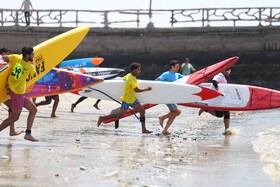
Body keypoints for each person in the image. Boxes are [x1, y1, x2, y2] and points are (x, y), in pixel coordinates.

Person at [97, 62, 152, 134]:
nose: (140, 71)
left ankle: (143, 129)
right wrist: (146, 89)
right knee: (123, 114)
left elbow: (123, 78)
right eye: (138, 69)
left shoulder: (129, 75)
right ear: (134, 70)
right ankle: (102, 118)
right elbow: (136, 90)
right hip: (129, 100)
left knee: (138, 112)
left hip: (130, 99)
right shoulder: (131, 79)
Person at [0, 46, 38, 141]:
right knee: (14, 117)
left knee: (33, 110)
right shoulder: (29, 67)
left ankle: (28, 134)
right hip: (17, 94)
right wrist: (32, 61)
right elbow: (34, 71)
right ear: (28, 55)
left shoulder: (16, 57)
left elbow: (4, 57)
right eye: (32, 54)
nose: (33, 55)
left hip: (19, 92)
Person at [198, 69, 232, 135]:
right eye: (229, 71)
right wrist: (217, 90)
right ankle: (227, 130)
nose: (230, 73)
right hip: (216, 99)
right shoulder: (219, 75)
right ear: (225, 71)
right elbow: (214, 81)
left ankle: (227, 130)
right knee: (223, 113)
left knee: (223, 113)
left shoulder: (224, 78)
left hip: (221, 99)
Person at [156, 60, 184, 135]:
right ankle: (162, 118)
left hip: (172, 97)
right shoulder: (166, 74)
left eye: (178, 67)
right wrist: (168, 85)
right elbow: (157, 80)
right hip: (167, 96)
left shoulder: (178, 75)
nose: (178, 68)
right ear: (172, 67)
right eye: (177, 67)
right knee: (178, 112)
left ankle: (165, 130)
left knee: (174, 113)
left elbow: (188, 78)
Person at [0, 47, 23, 136]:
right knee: (12, 108)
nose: (8, 56)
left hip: (2, 89)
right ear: (3, 53)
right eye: (7, 54)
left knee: (12, 108)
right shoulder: (1, 59)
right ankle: (12, 131)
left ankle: (12, 130)